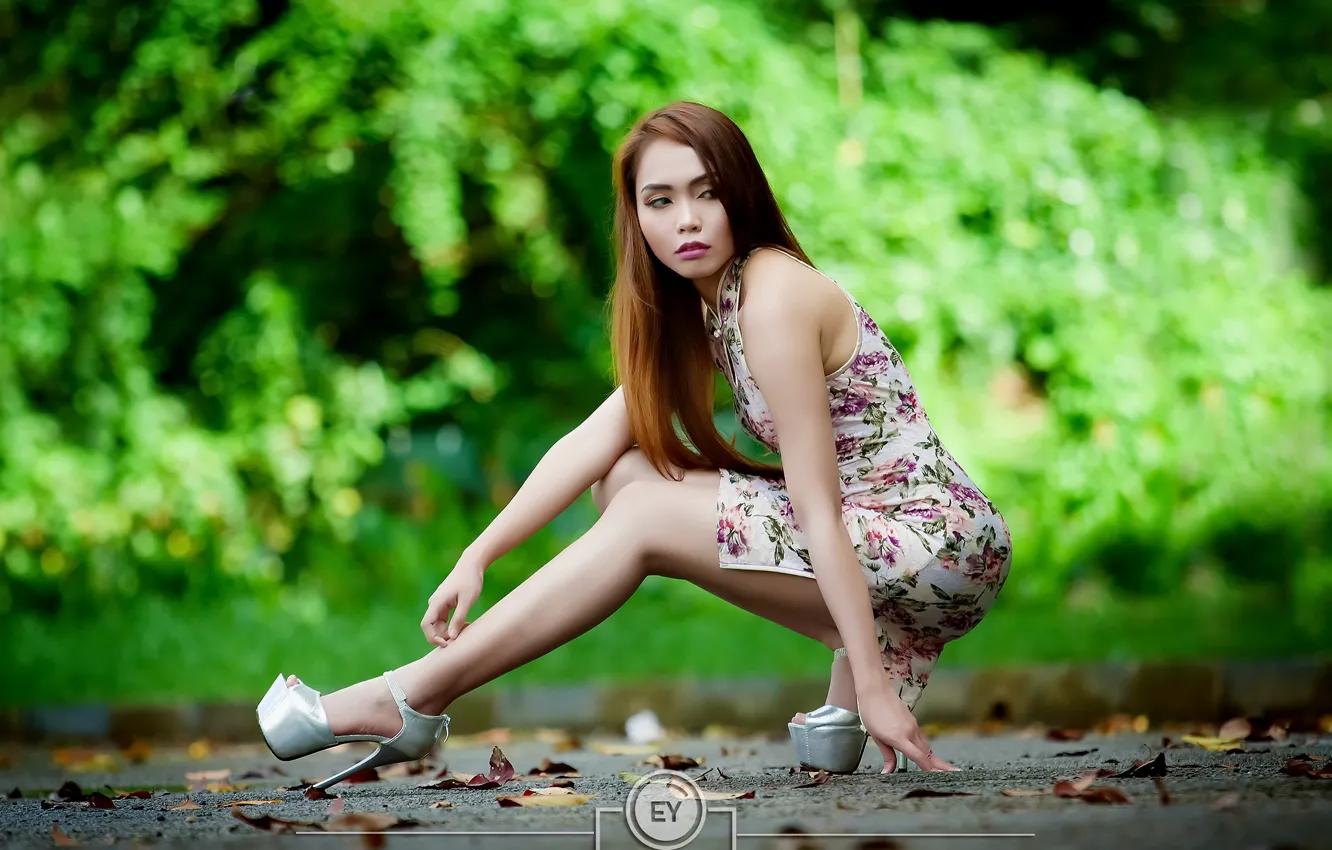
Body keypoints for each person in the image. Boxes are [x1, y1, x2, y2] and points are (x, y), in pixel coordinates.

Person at [256, 100, 1012, 790]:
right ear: (637, 216)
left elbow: (818, 507)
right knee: (623, 477)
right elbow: (594, 437)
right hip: (879, 537)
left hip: (936, 545)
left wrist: (875, 683)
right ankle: (848, 691)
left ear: (742, 196)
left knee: (645, 514)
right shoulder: (712, 304)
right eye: (661, 201)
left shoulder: (773, 297)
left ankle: (408, 696)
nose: (688, 220)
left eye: (707, 193)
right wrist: (477, 555)